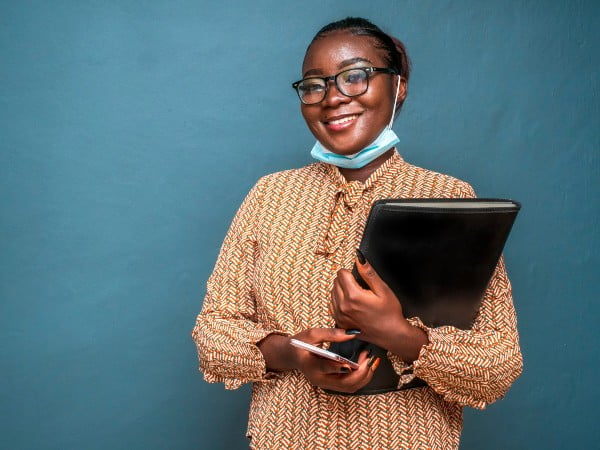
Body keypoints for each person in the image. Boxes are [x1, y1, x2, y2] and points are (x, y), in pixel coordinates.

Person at [192, 17, 522, 449]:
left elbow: (497, 366)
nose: (332, 98)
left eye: (355, 77)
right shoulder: (269, 195)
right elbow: (212, 334)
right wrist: (292, 352)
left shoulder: (448, 198)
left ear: (398, 86)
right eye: (314, 85)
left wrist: (398, 334)